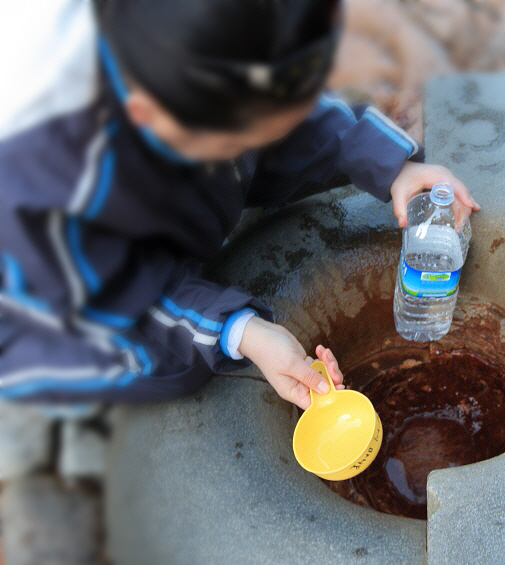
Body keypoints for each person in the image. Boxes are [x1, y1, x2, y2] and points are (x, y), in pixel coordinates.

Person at [0, 0, 479, 410]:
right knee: (175, 364)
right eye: (237, 139)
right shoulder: (58, 183)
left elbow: (303, 117)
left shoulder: (210, 48)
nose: (259, 139)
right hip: (55, 291)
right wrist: (240, 330)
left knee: (289, 145)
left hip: (167, 175)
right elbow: (126, 295)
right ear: (147, 114)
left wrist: (393, 166)